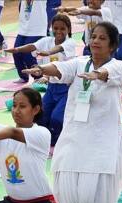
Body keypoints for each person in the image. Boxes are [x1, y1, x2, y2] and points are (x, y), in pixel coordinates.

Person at [24, 21, 122, 203]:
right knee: (66, 189)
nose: (95, 41)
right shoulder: (80, 63)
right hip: (74, 137)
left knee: (94, 195)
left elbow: (109, 74)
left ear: (112, 44)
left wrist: (97, 74)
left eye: (102, 38)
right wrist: (41, 70)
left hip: (103, 141)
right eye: (93, 37)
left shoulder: (120, 66)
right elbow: (61, 68)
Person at [6, 13, 77, 145]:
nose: (58, 31)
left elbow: (59, 48)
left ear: (68, 30)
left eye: (62, 29)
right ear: (51, 28)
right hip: (51, 88)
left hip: (66, 89)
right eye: (55, 28)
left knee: (57, 118)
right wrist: (16, 49)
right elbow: (32, 46)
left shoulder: (70, 43)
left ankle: (57, 141)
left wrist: (48, 53)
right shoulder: (46, 40)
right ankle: (44, 138)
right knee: (40, 116)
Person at [13, 0, 48, 83]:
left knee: (28, 55)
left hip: (37, 29)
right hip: (23, 28)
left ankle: (38, 77)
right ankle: (23, 76)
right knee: (16, 52)